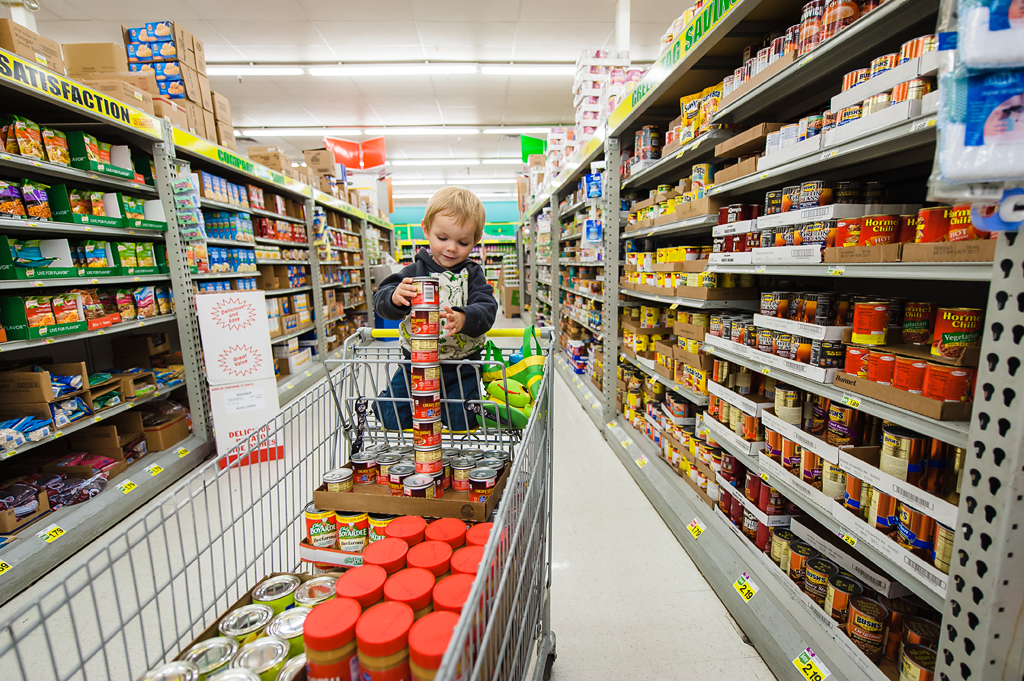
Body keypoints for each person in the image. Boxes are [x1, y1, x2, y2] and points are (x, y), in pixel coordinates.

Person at [373, 186, 497, 431]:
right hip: (415, 365)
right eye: (443, 238)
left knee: (462, 424)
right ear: (426, 229)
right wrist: (395, 298)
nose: (451, 248)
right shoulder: (413, 272)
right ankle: (386, 401)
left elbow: (487, 308)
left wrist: (464, 317)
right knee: (392, 418)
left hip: (461, 366)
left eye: (462, 242)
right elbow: (382, 300)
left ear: (476, 240)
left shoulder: (472, 274)